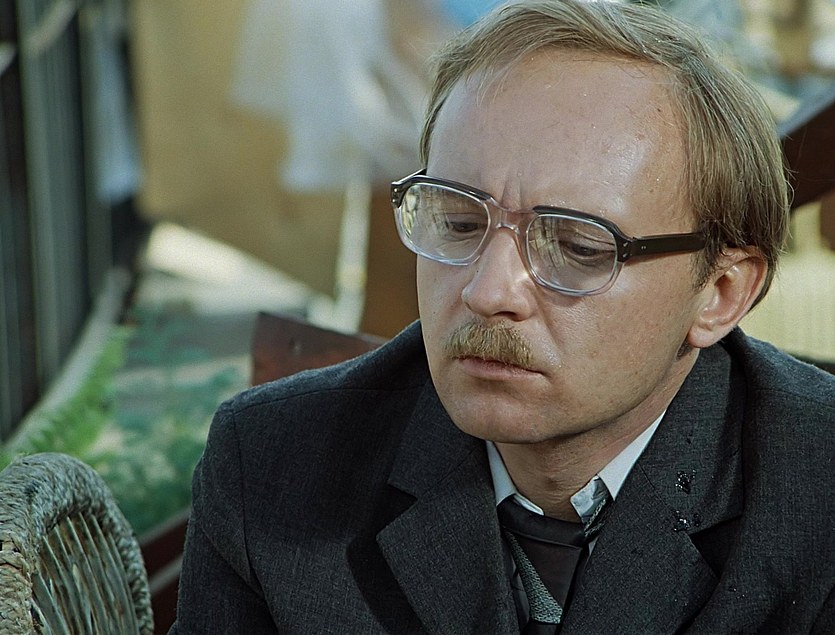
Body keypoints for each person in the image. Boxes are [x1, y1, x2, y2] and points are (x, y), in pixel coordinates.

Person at [171, 1, 835, 632]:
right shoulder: (275, 464)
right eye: (458, 222)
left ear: (720, 292)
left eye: (576, 246)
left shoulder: (816, 494)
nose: (488, 291)